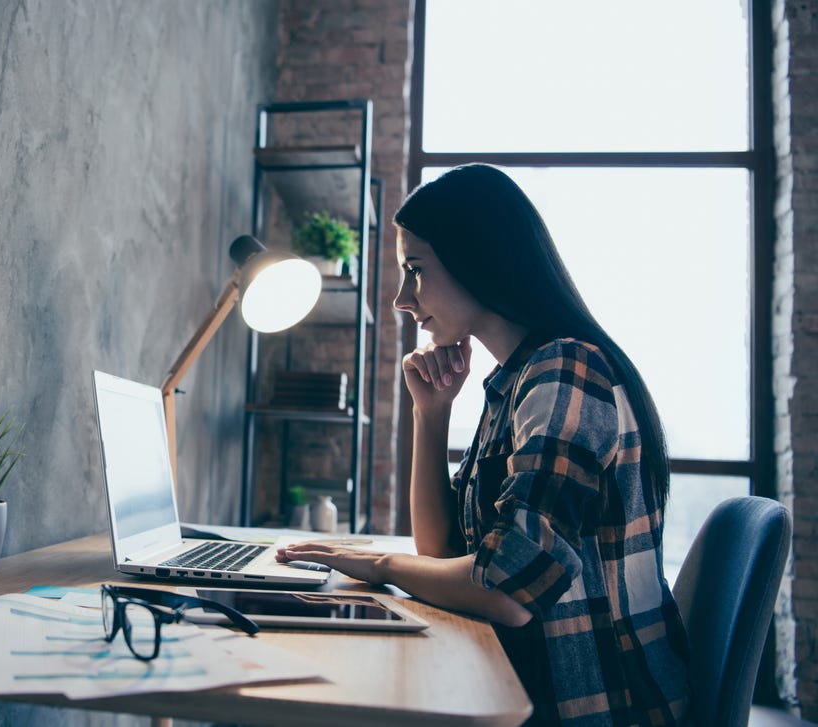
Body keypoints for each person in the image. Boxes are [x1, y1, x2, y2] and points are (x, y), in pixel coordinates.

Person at [277, 164, 690, 725]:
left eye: (415, 270)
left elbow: (507, 592)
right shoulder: (517, 382)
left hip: (597, 706)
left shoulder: (565, 370)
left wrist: (378, 564)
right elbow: (441, 550)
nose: (401, 299)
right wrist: (431, 414)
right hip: (535, 684)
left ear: (479, 259)